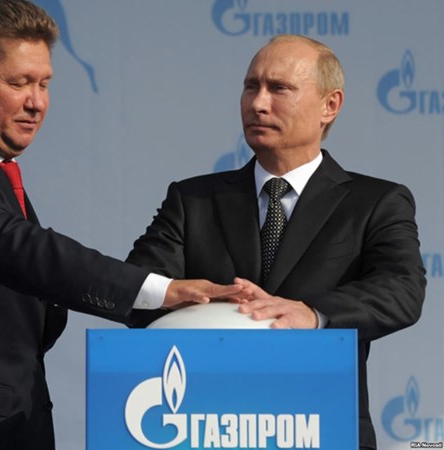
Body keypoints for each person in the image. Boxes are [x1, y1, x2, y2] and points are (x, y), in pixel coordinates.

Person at [0, 2, 243, 450]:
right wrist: (162, 289)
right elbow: (23, 250)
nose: (36, 102)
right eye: (18, 82)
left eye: (43, 84)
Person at [127, 34, 426, 450]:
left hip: (322, 425)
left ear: (330, 105)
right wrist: (200, 301)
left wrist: (311, 313)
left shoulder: (376, 202)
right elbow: (138, 290)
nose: (258, 103)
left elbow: (401, 291)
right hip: (204, 424)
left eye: (279, 89)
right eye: (251, 86)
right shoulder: (192, 199)